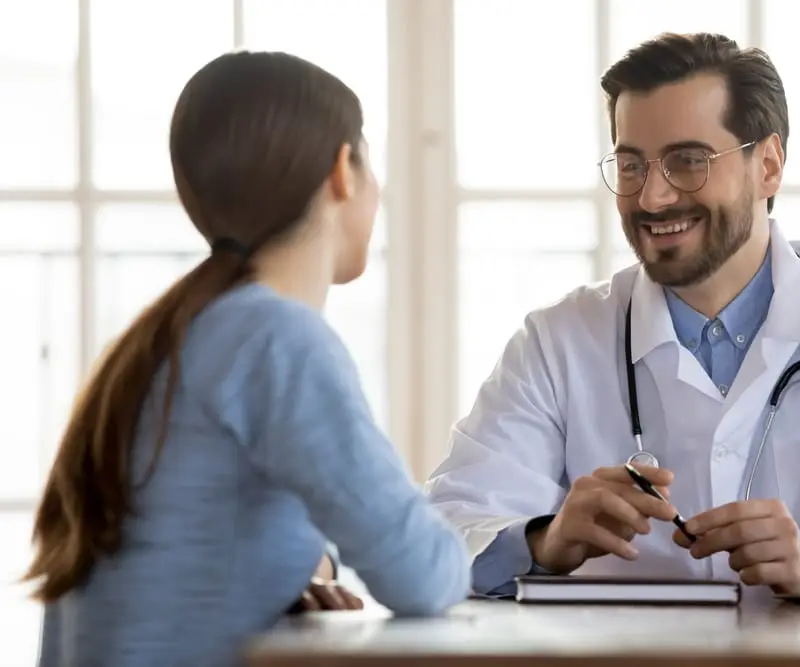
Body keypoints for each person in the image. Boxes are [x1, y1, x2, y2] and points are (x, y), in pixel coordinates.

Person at [424, 32, 800, 600]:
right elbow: (441, 537)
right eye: (631, 164)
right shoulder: (556, 342)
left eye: (688, 162)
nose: (653, 197)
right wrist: (543, 538)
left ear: (768, 165)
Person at [24, 50, 471, 667]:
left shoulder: (169, 338)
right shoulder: (277, 338)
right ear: (343, 170)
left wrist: (293, 566)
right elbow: (426, 574)